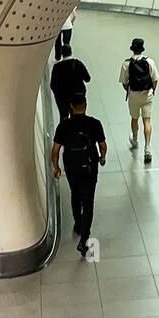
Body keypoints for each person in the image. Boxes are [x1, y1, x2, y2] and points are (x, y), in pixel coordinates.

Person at [51, 94, 106, 256]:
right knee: (88, 201)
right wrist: (102, 158)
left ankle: (77, 223)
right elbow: (102, 146)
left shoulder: (64, 126)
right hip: (89, 167)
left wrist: (56, 167)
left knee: (75, 194)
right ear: (85, 105)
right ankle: (84, 238)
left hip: (71, 167)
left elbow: (55, 151)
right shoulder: (94, 124)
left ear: (71, 106)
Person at [119, 37, 159, 164]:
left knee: (134, 118)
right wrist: (153, 91)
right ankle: (147, 148)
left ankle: (135, 139)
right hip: (147, 95)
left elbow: (124, 82)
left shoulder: (126, 63)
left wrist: (129, 90)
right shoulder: (150, 62)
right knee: (147, 121)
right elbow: (155, 79)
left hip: (133, 95)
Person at [49, 43, 90, 125]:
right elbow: (88, 79)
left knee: (63, 117)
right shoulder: (78, 64)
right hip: (77, 97)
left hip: (63, 99)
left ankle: (64, 134)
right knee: (77, 118)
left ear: (61, 54)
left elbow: (53, 85)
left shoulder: (57, 67)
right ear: (71, 52)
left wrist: (58, 97)